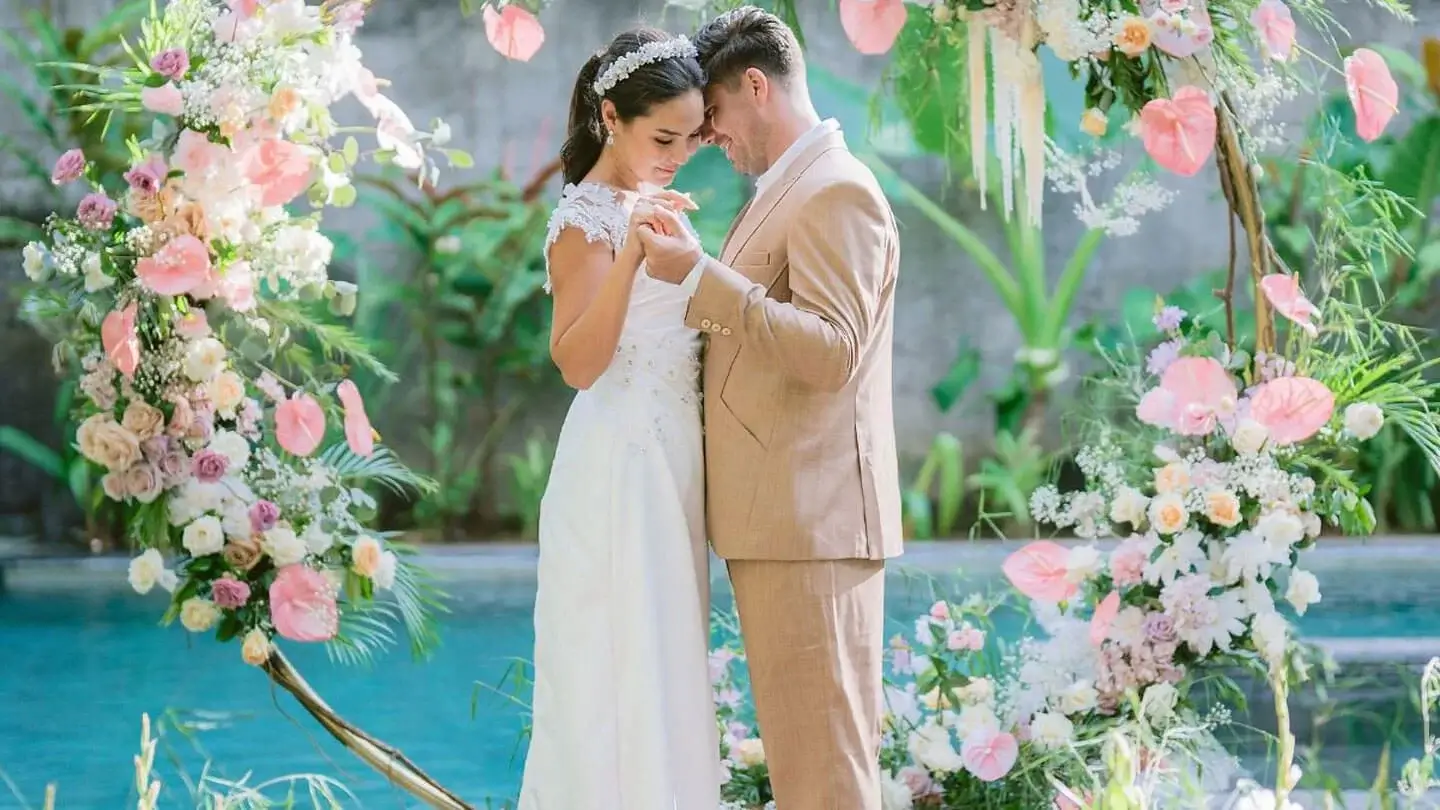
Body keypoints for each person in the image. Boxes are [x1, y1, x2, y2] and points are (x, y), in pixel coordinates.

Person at [635, 6, 905, 809]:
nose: (707, 135)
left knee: (825, 777)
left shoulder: (834, 191)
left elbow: (833, 352)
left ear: (757, 86)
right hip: (783, 525)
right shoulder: (788, 187)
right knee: (806, 771)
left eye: (714, 113)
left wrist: (699, 278)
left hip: (812, 525)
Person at [517, 27, 722, 810]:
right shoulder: (586, 219)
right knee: (617, 669)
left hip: (669, 462)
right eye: (664, 138)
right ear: (612, 117)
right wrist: (634, 255)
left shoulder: (646, 204)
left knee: (666, 665)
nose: (680, 154)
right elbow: (577, 362)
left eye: (692, 138)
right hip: (619, 468)